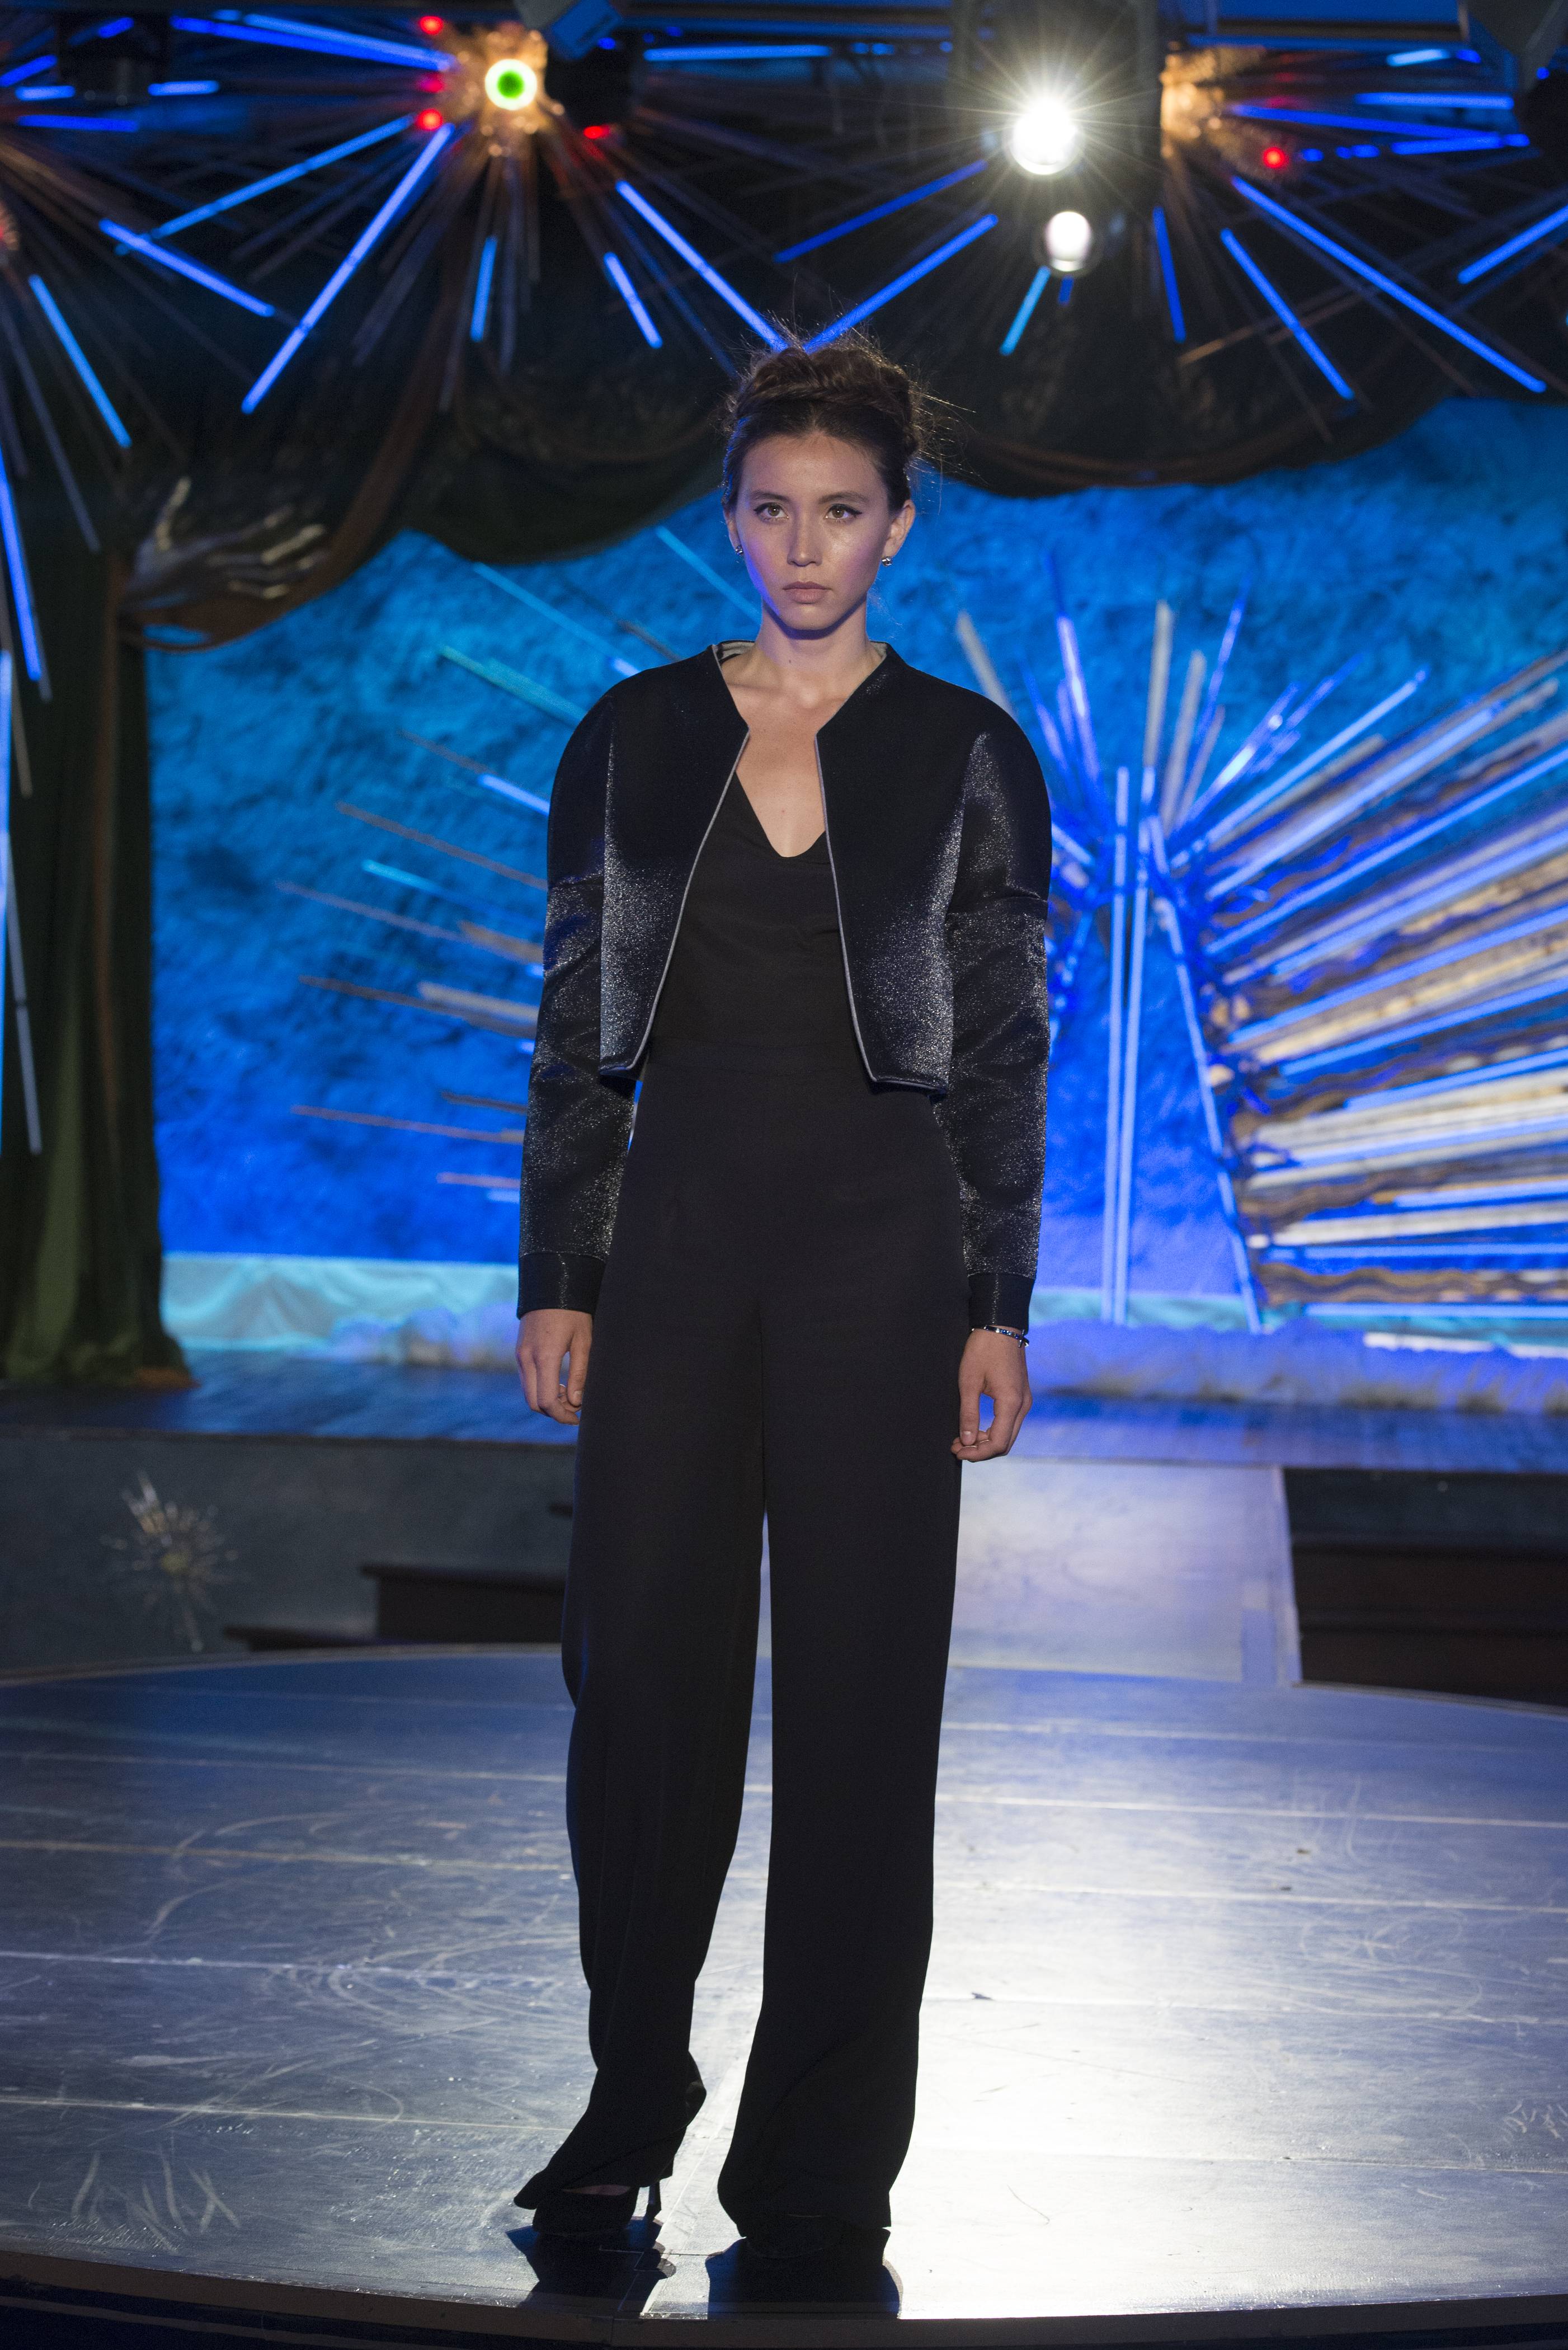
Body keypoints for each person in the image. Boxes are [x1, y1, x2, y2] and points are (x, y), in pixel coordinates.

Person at [512, 335, 1052, 2264]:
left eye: (839, 511)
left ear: (897, 526)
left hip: (881, 1259)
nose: (802, 544)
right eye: (769, 508)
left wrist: (995, 1299)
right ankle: (628, 2094)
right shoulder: (631, 735)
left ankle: (820, 2163)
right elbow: (574, 1024)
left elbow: (1001, 1045)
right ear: (727, 519)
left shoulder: (967, 753)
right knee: (638, 1686)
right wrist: (560, 1271)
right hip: (672, 1246)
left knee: (859, 1705)